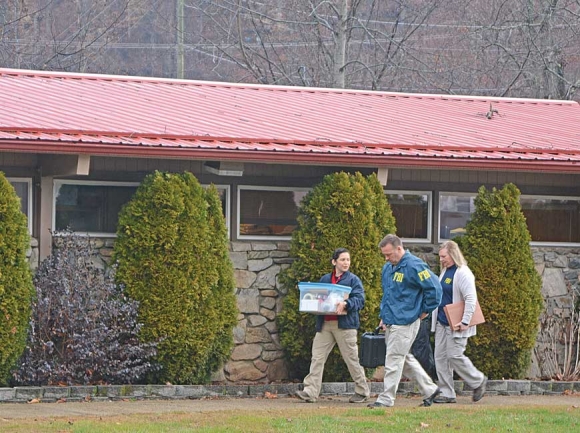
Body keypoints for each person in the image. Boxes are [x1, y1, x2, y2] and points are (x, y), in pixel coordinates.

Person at [368, 234, 442, 408]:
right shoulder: (389, 267)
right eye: (384, 255)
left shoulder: (414, 266)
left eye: (389, 254)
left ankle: (386, 399)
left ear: (399, 248)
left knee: (393, 359)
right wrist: (383, 317)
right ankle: (431, 389)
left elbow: (435, 289)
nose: (386, 258)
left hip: (406, 321)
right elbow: (389, 295)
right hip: (392, 320)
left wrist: (425, 310)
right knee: (404, 358)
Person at [295, 248, 371, 404]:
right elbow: (318, 298)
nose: (346, 263)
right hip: (325, 324)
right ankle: (310, 392)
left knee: (352, 359)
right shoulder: (325, 279)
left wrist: (346, 303)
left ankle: (362, 391)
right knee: (317, 357)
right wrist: (306, 293)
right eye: (342, 260)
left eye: (348, 260)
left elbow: (360, 300)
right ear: (334, 262)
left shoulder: (353, 280)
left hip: (345, 326)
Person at [431, 240, 487, 403]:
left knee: (454, 355)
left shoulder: (463, 273)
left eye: (444, 256)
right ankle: (447, 393)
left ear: (453, 254)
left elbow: (471, 299)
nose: (441, 259)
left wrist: (465, 321)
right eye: (440, 256)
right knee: (440, 358)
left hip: (457, 324)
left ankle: (478, 380)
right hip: (442, 322)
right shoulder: (445, 271)